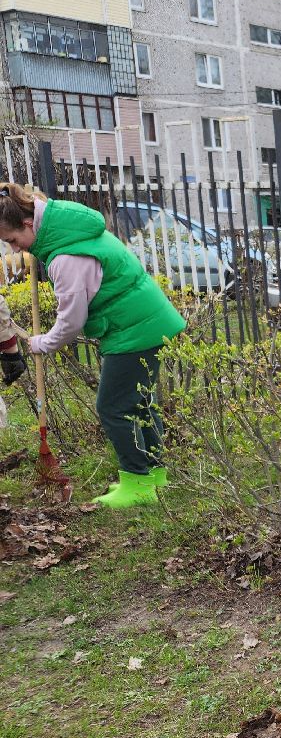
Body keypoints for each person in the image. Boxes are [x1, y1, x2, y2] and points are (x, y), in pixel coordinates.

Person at [0, 183, 185, 507]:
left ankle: (138, 481)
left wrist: (44, 342)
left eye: (13, 241)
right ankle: (154, 476)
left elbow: (71, 320)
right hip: (146, 322)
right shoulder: (68, 229)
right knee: (140, 403)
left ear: (28, 223)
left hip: (134, 330)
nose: (15, 250)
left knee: (113, 407)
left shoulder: (66, 255)